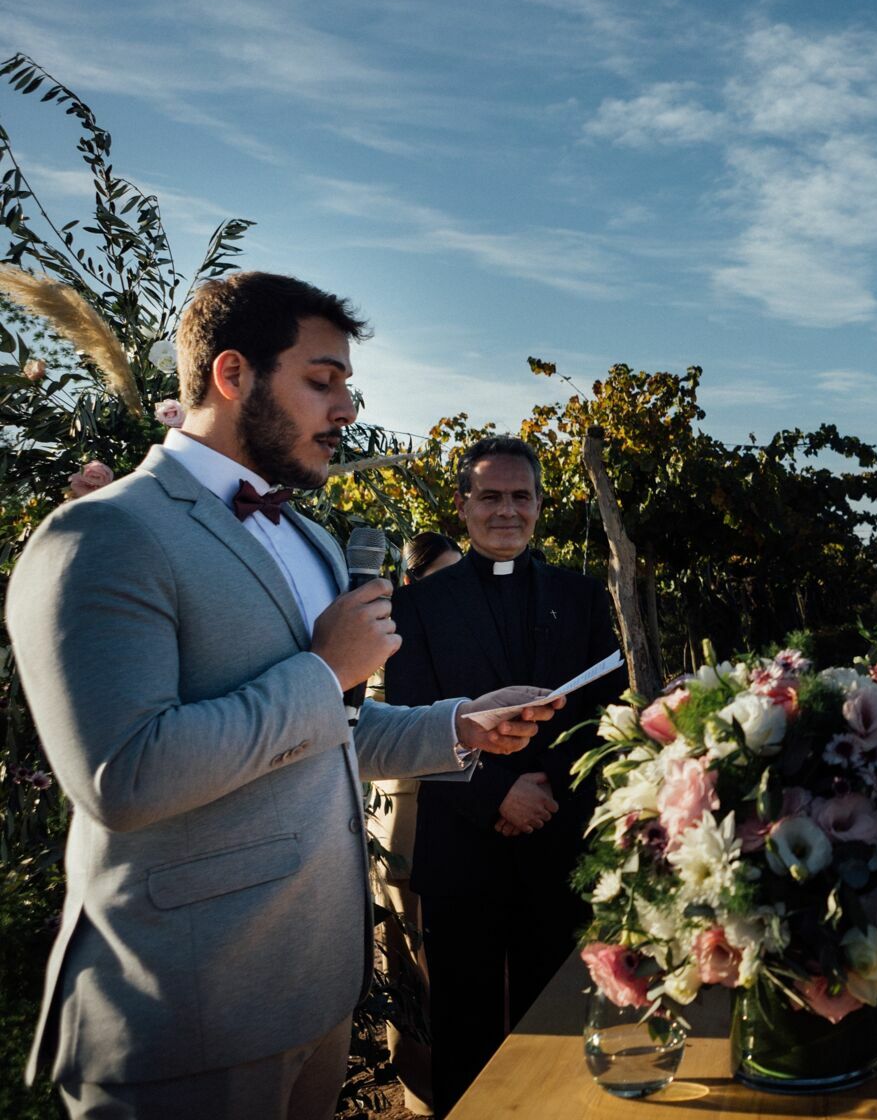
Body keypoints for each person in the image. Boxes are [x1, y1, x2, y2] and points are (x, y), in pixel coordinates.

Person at [6, 272, 562, 1120]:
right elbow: (123, 776)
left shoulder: (310, 540)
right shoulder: (102, 534)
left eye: (347, 385)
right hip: (183, 1012)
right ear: (232, 374)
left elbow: (331, 729)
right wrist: (324, 670)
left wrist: (463, 725)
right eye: (321, 380)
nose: (346, 409)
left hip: (315, 995)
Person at [383, 436, 623, 1110]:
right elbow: (407, 720)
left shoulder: (582, 597)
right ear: (463, 505)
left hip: (559, 847)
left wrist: (544, 792)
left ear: (540, 504)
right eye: (490, 496)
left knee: (561, 1037)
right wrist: (496, 795)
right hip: (462, 857)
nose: (506, 511)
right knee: (467, 1041)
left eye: (521, 496)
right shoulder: (419, 606)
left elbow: (605, 713)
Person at [367, 527, 464, 1115]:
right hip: (401, 818)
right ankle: (423, 1092)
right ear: (411, 581)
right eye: (440, 579)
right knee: (408, 955)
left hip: (456, 820)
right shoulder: (385, 636)